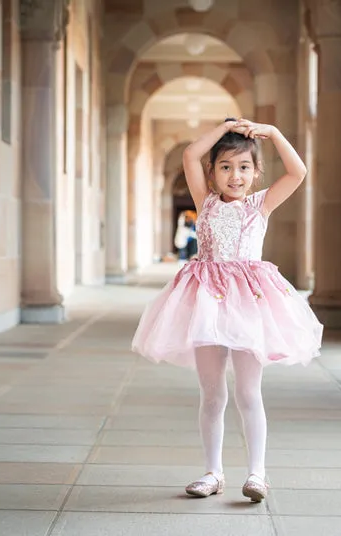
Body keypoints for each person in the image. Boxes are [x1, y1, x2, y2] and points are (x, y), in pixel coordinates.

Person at [131, 118, 323, 502]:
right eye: (225, 167)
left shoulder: (260, 204)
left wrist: (272, 132)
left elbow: (298, 171)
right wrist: (226, 128)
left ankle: (257, 474)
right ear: (212, 173)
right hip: (206, 303)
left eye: (244, 167)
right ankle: (212, 472)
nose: (235, 176)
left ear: (255, 173)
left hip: (249, 306)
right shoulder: (205, 202)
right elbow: (189, 153)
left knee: (249, 392)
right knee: (212, 393)